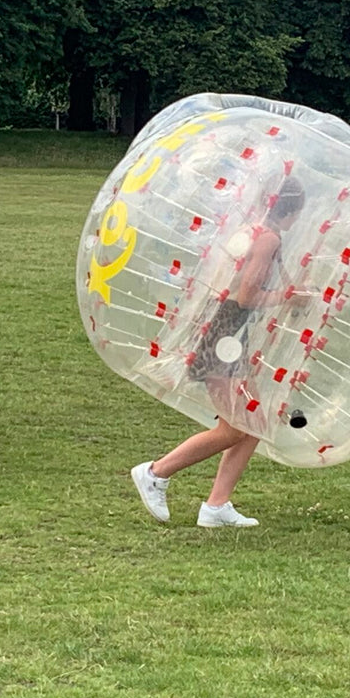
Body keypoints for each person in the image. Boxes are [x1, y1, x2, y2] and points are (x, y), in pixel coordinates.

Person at [130, 176, 307, 529]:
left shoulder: (255, 231)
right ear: (291, 209)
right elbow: (244, 296)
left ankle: (216, 506)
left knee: (253, 422)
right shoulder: (268, 238)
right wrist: (287, 299)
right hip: (223, 335)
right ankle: (155, 473)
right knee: (233, 428)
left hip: (227, 334)